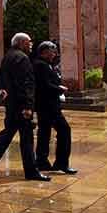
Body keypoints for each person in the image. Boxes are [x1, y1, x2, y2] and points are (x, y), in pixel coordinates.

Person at [0, 33, 49, 181]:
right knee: (27, 139)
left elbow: (0, 78)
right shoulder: (22, 58)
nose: (31, 45)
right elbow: (26, 84)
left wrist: (3, 89)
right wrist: (28, 106)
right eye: (29, 42)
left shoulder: (8, 56)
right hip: (21, 106)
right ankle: (31, 172)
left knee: (6, 135)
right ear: (22, 42)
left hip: (11, 104)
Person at [33, 41, 77, 175]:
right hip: (48, 105)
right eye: (52, 52)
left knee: (44, 132)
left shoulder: (45, 64)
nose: (55, 54)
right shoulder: (40, 65)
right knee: (64, 130)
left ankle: (42, 162)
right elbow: (44, 85)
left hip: (45, 105)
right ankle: (62, 163)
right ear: (44, 52)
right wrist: (59, 88)